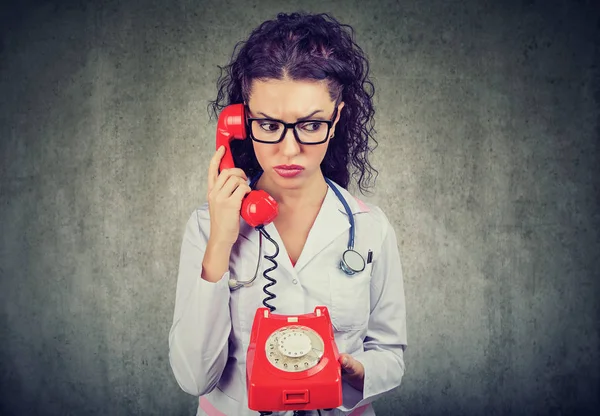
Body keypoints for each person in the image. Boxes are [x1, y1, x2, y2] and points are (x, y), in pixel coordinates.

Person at [168, 12, 407, 416]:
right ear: (241, 123)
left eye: (310, 124)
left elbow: (391, 355)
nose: (290, 150)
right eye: (268, 124)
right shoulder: (206, 228)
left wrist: (356, 371)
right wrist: (221, 243)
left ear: (336, 120)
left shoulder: (370, 229)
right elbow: (193, 378)